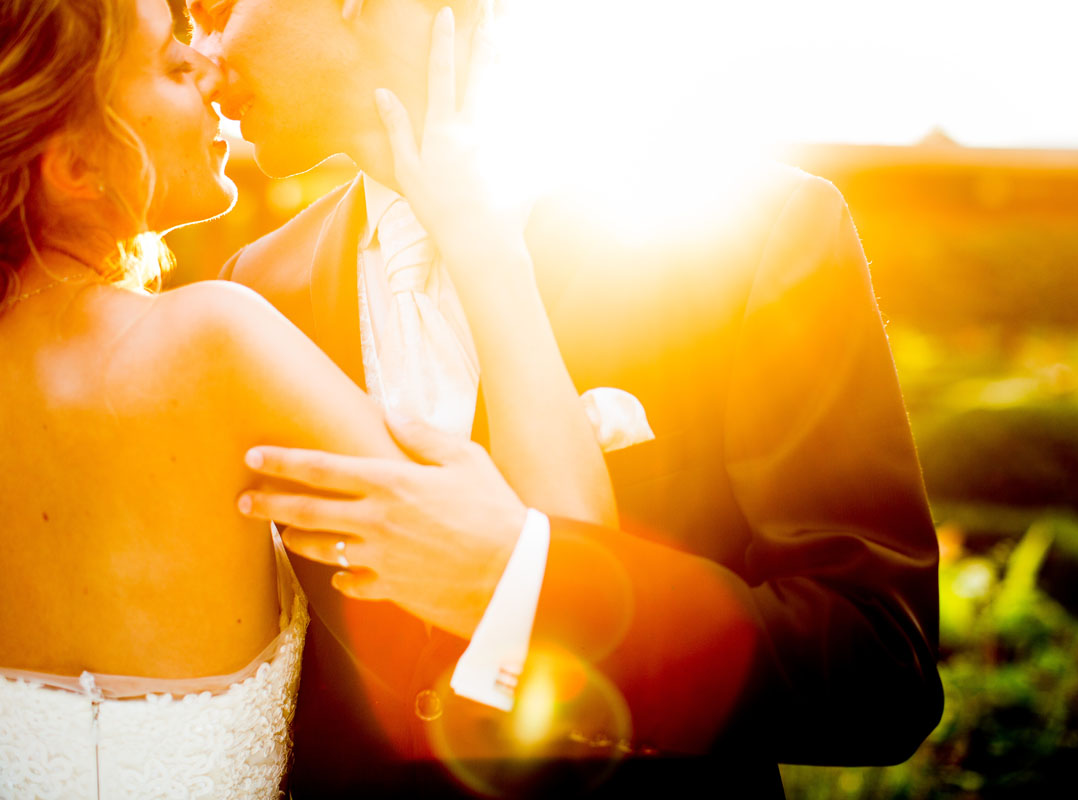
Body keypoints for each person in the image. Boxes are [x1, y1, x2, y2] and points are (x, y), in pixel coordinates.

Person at [194, 0, 945, 797]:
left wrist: (523, 580)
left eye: (213, 8)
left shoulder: (748, 232)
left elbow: (879, 673)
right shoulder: (254, 290)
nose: (201, 53)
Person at [0, 0, 611, 797]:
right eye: (174, 64)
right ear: (76, 167)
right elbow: (558, 570)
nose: (210, 67)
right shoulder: (216, 336)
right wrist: (475, 231)